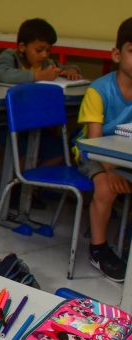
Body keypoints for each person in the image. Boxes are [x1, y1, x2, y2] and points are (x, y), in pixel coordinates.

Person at [73, 17, 132, 282]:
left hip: (124, 158)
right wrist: (111, 170)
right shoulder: (99, 90)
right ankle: (98, 249)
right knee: (106, 186)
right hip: (91, 154)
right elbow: (94, 144)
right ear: (117, 54)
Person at [0, 18, 82, 84]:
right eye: (39, 50)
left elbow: (64, 68)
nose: (44, 55)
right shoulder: (11, 56)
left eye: (48, 50)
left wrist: (72, 70)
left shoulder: (46, 63)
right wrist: (37, 76)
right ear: (22, 47)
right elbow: (1, 74)